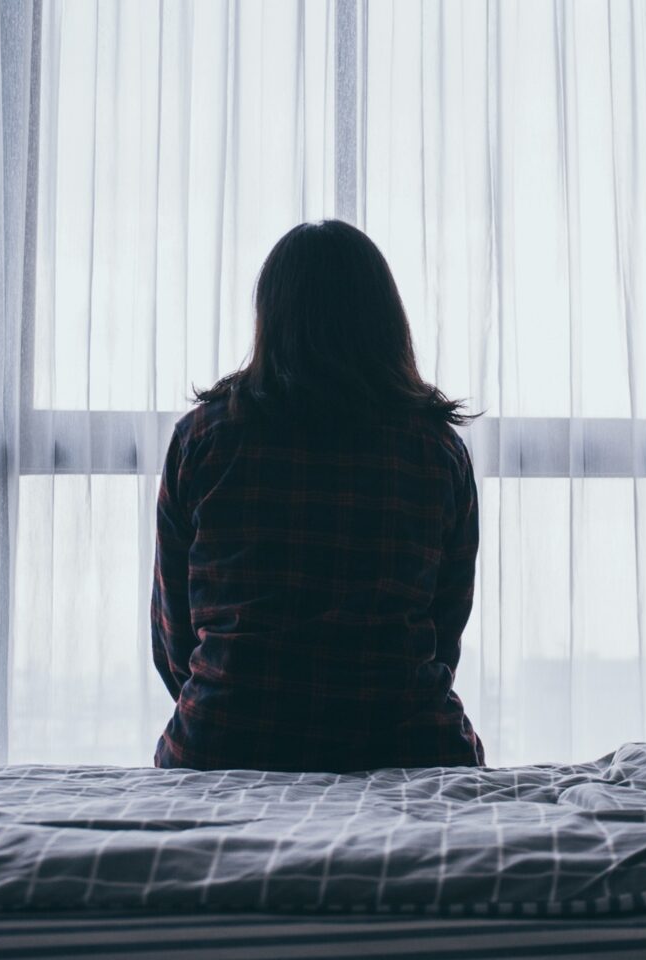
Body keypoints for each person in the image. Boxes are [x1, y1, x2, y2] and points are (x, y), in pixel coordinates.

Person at [151, 219, 485, 773]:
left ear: (269, 318)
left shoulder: (201, 440)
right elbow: (444, 629)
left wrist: (237, 696)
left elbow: (174, 637)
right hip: (410, 744)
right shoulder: (437, 451)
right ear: (385, 320)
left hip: (222, 740)